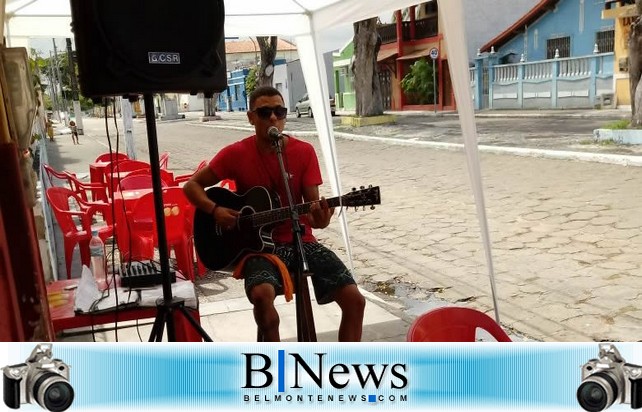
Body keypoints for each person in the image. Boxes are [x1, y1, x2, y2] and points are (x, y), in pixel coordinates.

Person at [183, 86, 365, 342]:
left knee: (355, 301)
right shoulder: (236, 153)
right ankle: (275, 374)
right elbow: (191, 186)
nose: (273, 118)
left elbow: (314, 213)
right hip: (259, 249)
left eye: (279, 111)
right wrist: (214, 210)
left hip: (302, 241)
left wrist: (321, 218)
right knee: (262, 298)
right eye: (264, 112)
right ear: (251, 117)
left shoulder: (303, 152)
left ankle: (345, 373)